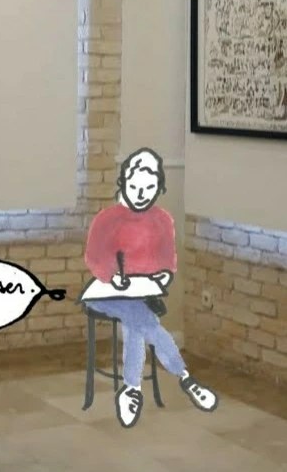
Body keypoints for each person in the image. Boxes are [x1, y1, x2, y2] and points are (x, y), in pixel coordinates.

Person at [84, 147, 218, 428]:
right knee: (143, 320)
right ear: (124, 182)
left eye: (149, 188)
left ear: (159, 187)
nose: (141, 194)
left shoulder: (162, 220)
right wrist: (112, 277)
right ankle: (185, 378)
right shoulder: (107, 219)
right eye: (134, 187)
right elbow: (94, 258)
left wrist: (162, 278)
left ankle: (131, 390)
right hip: (106, 294)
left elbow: (167, 262)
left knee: (137, 323)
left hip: (140, 296)